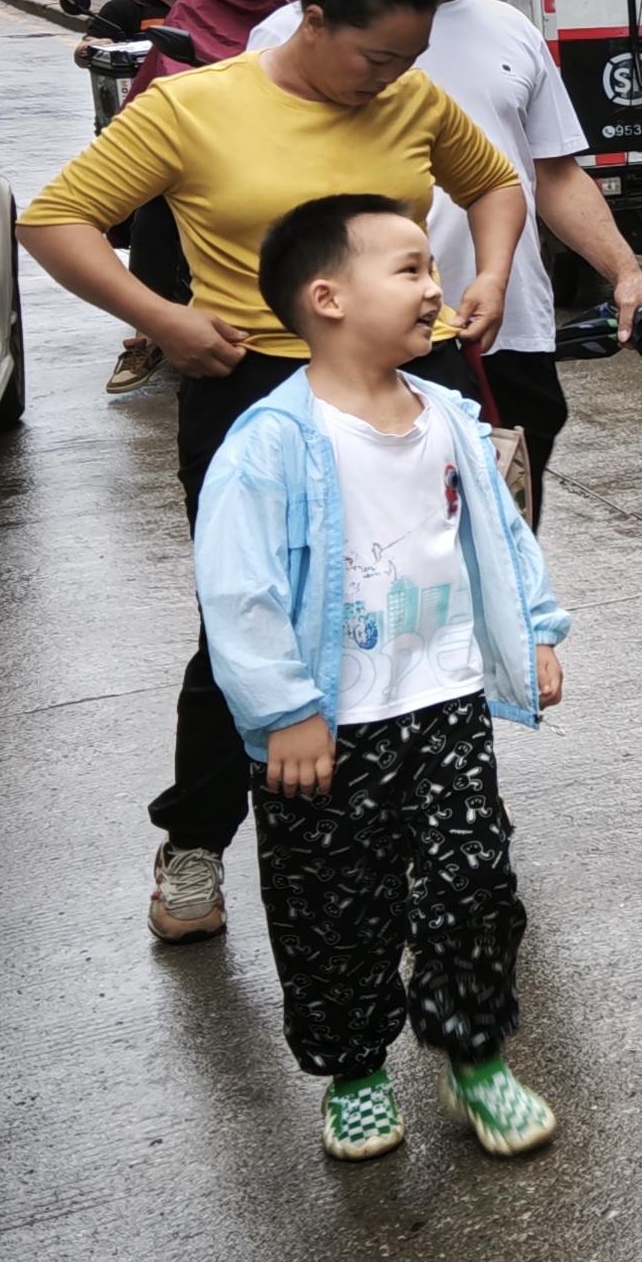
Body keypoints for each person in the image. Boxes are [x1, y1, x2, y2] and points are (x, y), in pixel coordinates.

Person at [17, 0, 527, 948]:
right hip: (253, 388)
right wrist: (164, 320)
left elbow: (494, 184)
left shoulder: (411, 97)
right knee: (251, 620)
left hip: (405, 382)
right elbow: (54, 219)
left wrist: (492, 274)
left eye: (410, 60)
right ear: (313, 18)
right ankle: (196, 839)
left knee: (424, 600)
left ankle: (428, 824)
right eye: (376, 56)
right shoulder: (193, 106)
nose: (392, 79)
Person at [195, 191, 567, 1162]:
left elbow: (503, 538)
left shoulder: (449, 417)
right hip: (327, 727)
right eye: (409, 269)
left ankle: (476, 1058)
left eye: (431, 267)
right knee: (333, 910)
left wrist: (534, 632)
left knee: (474, 883)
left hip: (445, 705)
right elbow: (237, 593)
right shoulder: (270, 446)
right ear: (328, 297)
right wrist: (285, 712)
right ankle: (356, 1074)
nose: (434, 286)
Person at [251, 0, 642, 525]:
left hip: (505, 333)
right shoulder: (296, 34)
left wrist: (625, 273)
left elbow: (553, 175)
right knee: (383, 549)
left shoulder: (511, 30)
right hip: (357, 340)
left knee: (507, 539)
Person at [103, 0, 301, 399]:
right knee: (158, 213)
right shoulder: (197, 6)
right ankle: (148, 333)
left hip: (289, 134)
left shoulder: (296, 5)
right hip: (208, 135)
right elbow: (173, 75)